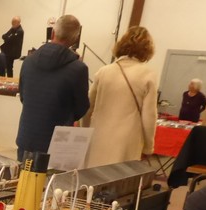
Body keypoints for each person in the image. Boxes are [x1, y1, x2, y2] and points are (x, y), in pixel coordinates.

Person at [81, 26, 158, 168]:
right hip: (127, 141)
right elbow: (149, 117)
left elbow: (87, 108)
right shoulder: (148, 75)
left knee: (93, 177)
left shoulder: (103, 72)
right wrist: (148, 147)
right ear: (147, 49)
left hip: (99, 137)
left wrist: (86, 131)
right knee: (119, 178)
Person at [16, 14, 89, 161]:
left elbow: (23, 96)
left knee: (23, 175)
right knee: (52, 177)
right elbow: (81, 107)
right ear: (75, 39)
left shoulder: (28, 61)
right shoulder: (78, 69)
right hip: (58, 143)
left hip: (27, 137)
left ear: (53, 33)